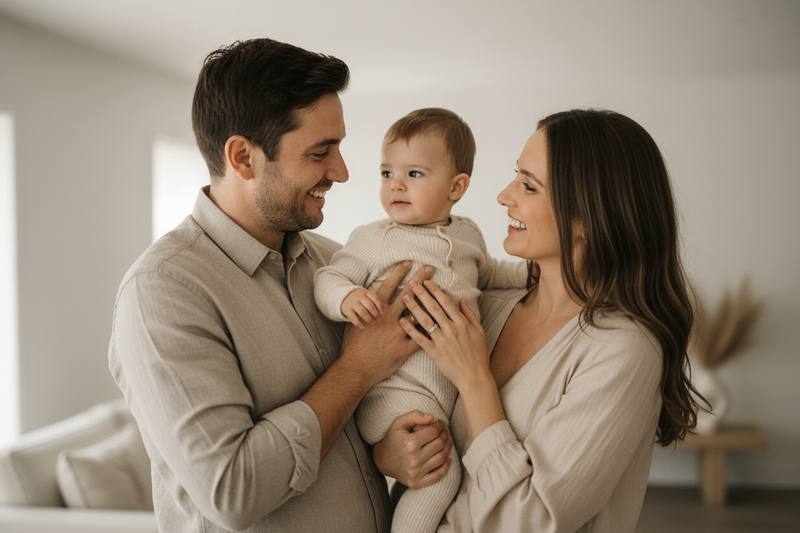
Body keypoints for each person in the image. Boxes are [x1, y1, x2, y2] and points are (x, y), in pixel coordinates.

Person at [108, 38, 449, 533]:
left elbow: (341, 430)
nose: (342, 172)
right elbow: (233, 490)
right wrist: (356, 369)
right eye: (320, 152)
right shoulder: (161, 292)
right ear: (243, 157)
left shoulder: (336, 263)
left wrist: (383, 453)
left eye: (340, 146)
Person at [377, 108, 700, 532]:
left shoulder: (624, 349)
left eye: (528, 185)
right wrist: (389, 455)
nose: (503, 196)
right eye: (517, 176)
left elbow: (531, 522)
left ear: (585, 216)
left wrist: (475, 380)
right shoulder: (483, 306)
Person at [314, 108, 528, 533]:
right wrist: (347, 298)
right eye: (386, 172)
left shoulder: (468, 235)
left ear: (456, 186)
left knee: (437, 472)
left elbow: (490, 274)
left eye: (414, 173)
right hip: (392, 390)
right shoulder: (376, 239)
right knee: (441, 473)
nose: (395, 184)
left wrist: (529, 273)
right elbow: (328, 276)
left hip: (439, 394)